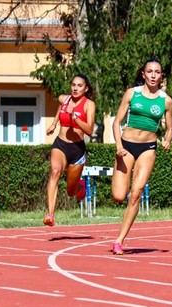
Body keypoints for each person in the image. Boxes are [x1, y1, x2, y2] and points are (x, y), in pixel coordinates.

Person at [111, 58, 172, 254]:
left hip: (148, 148)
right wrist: (119, 145)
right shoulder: (132, 93)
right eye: (150, 71)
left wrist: (167, 139)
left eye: (157, 72)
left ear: (161, 75)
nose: (154, 75)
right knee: (119, 196)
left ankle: (119, 241)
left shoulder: (166, 100)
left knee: (136, 193)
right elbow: (116, 122)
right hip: (127, 146)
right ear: (143, 74)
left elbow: (170, 128)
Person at [43, 74, 96, 227]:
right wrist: (54, 123)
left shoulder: (89, 105)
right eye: (73, 85)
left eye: (79, 86)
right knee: (54, 172)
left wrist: (75, 117)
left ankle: (80, 188)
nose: (75, 88)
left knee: (71, 191)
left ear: (85, 89)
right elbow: (61, 107)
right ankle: (50, 214)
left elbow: (90, 130)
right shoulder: (64, 99)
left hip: (77, 150)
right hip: (60, 144)